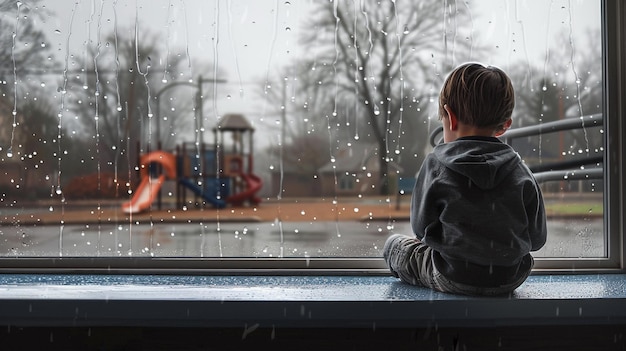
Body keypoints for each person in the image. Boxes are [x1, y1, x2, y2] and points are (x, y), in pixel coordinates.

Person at [383, 62, 547, 296]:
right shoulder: (521, 171)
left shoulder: (436, 164)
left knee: (395, 246)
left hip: (452, 275)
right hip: (509, 278)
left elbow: (421, 230)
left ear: (450, 117)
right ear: (504, 126)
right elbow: (537, 239)